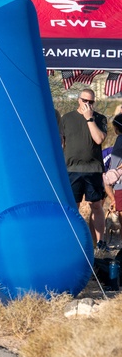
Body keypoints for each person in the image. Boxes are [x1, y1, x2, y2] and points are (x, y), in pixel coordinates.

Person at [60, 88, 109, 249]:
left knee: (96, 205)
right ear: (78, 100)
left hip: (93, 169)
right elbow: (61, 143)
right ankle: (71, 240)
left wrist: (89, 119)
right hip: (71, 169)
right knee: (73, 206)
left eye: (91, 102)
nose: (87, 104)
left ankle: (101, 241)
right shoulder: (67, 118)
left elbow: (99, 139)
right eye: (85, 101)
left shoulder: (99, 118)